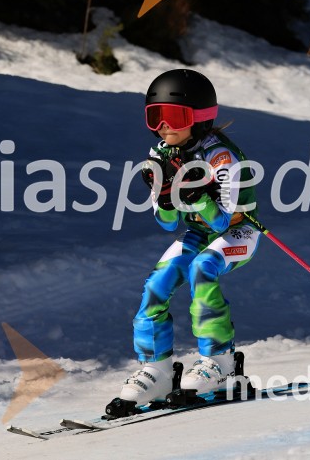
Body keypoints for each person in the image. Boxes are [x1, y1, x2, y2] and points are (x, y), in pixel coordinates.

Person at [118, 69, 260, 406]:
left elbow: (224, 218)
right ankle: (157, 368)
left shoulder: (221, 156)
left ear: (198, 118)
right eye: (155, 118)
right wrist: (167, 197)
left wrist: (196, 195)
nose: (163, 127)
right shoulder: (161, 156)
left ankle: (220, 361)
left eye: (173, 117)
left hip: (239, 232)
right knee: (157, 283)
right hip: (199, 231)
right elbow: (168, 224)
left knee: (202, 268)